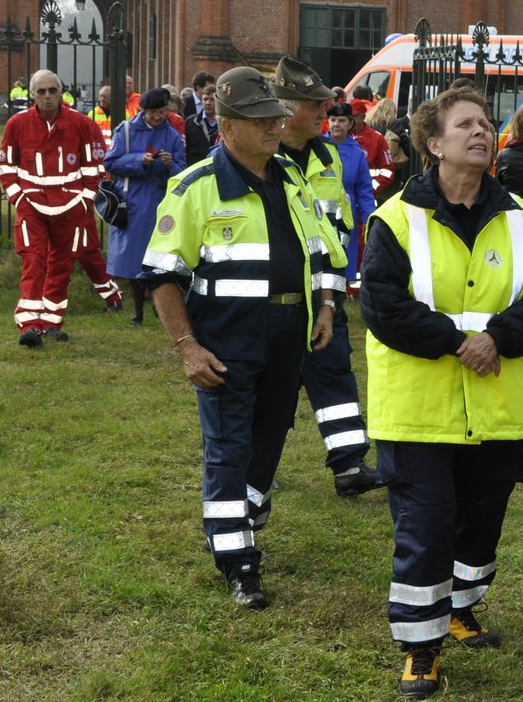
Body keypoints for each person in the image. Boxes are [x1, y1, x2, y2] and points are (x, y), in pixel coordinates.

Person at [360, 82, 523, 698]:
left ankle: (460, 607)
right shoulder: (395, 220)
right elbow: (384, 307)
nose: (482, 132)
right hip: (418, 411)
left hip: (496, 407)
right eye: (465, 125)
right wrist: (459, 342)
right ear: (433, 143)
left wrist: (499, 337)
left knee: (481, 522)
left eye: (486, 123)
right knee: (426, 524)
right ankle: (420, 647)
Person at [143, 66, 344, 610]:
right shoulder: (196, 187)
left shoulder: (293, 178)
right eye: (260, 119)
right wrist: (187, 347)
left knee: (271, 435)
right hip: (226, 342)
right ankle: (238, 562)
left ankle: (238, 517)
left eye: (276, 116)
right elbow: (161, 275)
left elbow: (322, 250)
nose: (274, 126)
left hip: (289, 337)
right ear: (226, 126)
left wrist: (326, 307)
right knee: (229, 450)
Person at [270, 56, 380, 496]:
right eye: (314, 105)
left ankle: (350, 468)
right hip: (272, 301)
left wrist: (329, 304)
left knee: (335, 376)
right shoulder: (259, 155)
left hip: (321, 296)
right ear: (285, 107)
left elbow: (337, 234)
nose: (325, 112)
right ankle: (255, 468)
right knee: (269, 392)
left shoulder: (329, 158)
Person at [0, 68, 124, 347]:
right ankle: (29, 326)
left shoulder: (81, 124)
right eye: (41, 91)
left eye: (52, 90)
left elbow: (95, 167)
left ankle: (52, 323)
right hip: (32, 205)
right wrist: (19, 198)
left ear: (61, 92)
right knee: (34, 259)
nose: (47, 97)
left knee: (61, 265)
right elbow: (6, 166)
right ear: (33, 95)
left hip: (70, 206)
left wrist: (84, 199)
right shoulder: (17, 124)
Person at [104, 86, 186, 325]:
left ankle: (161, 307)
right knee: (134, 259)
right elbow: (110, 162)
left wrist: (171, 166)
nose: (158, 117)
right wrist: (139, 160)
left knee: (161, 259)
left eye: (162, 112)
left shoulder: (171, 135)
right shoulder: (127, 131)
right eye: (153, 113)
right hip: (133, 201)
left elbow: (182, 171)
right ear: (144, 111)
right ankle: (138, 311)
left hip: (161, 202)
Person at [326, 101, 377, 289]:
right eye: (332, 120)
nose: (336, 124)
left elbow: (364, 190)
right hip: (320, 213)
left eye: (341, 120)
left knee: (345, 252)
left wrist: (370, 221)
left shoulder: (357, 153)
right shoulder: (317, 148)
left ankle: (341, 291)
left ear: (349, 124)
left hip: (347, 214)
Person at [350, 96, 396, 200]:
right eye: (349, 116)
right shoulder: (341, 137)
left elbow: (388, 170)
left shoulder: (377, 139)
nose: (351, 120)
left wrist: (370, 189)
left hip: (366, 197)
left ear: (362, 117)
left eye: (354, 116)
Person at [186, 80, 219, 165]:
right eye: (205, 99)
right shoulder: (191, 122)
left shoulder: (224, 123)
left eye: (212, 99)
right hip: (195, 169)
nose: (208, 103)